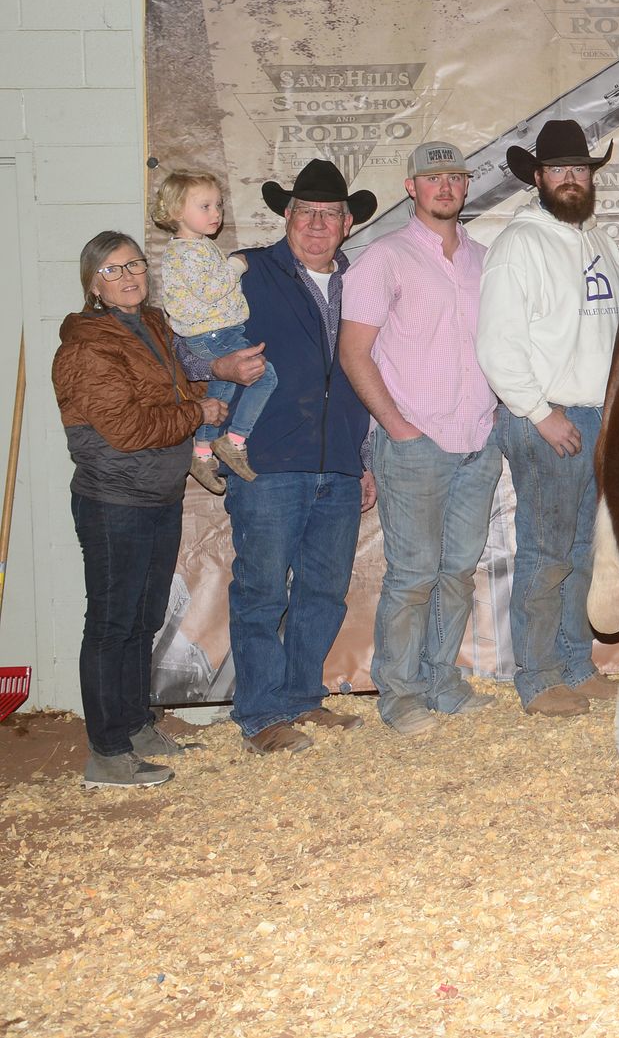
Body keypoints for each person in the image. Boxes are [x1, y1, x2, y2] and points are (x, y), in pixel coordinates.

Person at [212, 159, 379, 754]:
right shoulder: (248, 271)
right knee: (261, 590)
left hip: (337, 463)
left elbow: (364, 373)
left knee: (323, 590)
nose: (315, 223)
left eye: (328, 213)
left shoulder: (359, 282)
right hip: (266, 461)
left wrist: (361, 459)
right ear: (286, 216)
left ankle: (301, 698)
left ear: (348, 222)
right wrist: (216, 367)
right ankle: (259, 715)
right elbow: (187, 337)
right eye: (304, 211)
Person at [339, 141, 502, 737]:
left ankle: (442, 680)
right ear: (411, 187)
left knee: (457, 570)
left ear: (465, 186)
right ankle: (400, 693)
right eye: (431, 178)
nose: (445, 187)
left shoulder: (485, 260)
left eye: (454, 177)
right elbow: (354, 352)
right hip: (415, 442)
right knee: (412, 575)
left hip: (477, 441)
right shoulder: (383, 259)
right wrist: (399, 429)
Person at [53, 231, 226, 787]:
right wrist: (198, 412)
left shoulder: (153, 325)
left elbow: (174, 390)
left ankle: (134, 725)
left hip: (157, 493)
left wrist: (210, 385)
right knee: (111, 623)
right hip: (113, 499)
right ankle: (106, 752)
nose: (128, 276)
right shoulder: (85, 348)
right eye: (112, 270)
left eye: (134, 265)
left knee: (144, 618)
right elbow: (128, 429)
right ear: (92, 285)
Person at [477, 119, 619, 717]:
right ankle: (537, 678)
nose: (572, 179)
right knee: (547, 553)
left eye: (581, 169)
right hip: (549, 419)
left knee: (585, 553)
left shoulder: (600, 242)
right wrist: (540, 413)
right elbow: (496, 344)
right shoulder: (520, 244)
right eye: (560, 169)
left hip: (596, 418)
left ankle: (574, 663)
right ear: (537, 177)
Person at [152, 168, 276, 494]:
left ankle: (202, 451)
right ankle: (234, 440)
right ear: (177, 211)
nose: (216, 213)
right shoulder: (185, 253)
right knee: (266, 376)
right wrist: (237, 264)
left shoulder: (198, 246)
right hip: (213, 333)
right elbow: (212, 289)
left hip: (216, 330)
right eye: (204, 206)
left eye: (218, 205)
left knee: (221, 389)